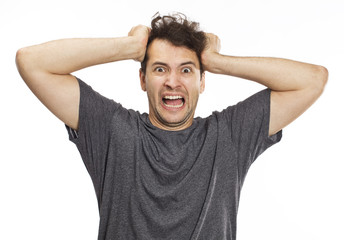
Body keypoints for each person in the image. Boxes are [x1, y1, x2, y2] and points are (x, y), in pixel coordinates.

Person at [16, 13, 328, 240]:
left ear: (202, 81)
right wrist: (129, 46)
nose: (172, 82)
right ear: (142, 79)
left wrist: (216, 60)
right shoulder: (113, 130)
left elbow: (312, 80)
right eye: (160, 68)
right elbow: (32, 62)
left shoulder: (229, 135)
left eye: (187, 70)